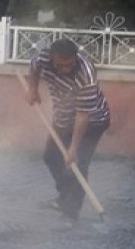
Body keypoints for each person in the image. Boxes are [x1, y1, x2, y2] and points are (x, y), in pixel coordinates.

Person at [27, 39, 111, 228]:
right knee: (50, 156)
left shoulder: (86, 74)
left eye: (69, 64)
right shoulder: (43, 59)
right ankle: (64, 197)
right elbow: (34, 67)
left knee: (77, 164)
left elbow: (83, 116)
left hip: (92, 120)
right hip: (63, 116)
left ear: (75, 58)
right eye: (60, 65)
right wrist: (32, 89)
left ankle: (71, 213)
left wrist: (73, 148)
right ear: (51, 58)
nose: (65, 69)